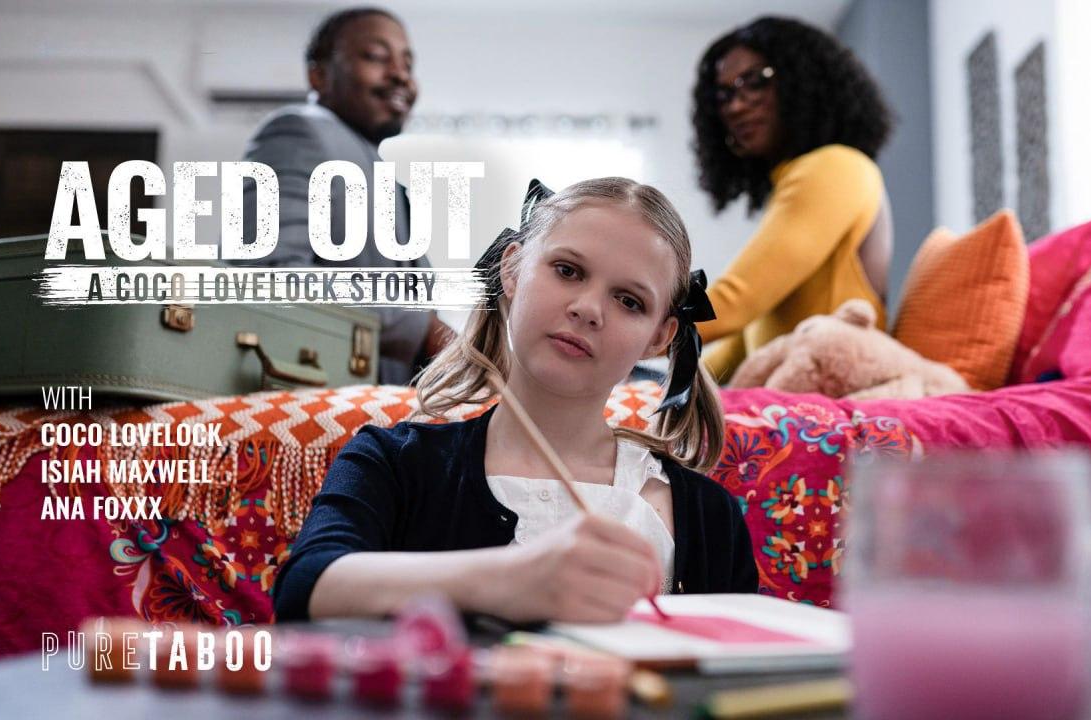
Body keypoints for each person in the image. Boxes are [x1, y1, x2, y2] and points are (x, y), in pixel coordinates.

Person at [273, 178, 758, 624]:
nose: (587, 309)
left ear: (660, 337)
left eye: (629, 301)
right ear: (511, 270)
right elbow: (304, 588)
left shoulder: (707, 514)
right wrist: (511, 578)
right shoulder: (394, 462)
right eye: (567, 271)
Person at [240, 6, 453, 384]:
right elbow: (264, 276)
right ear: (319, 75)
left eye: (408, 63)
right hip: (314, 405)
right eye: (376, 56)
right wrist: (420, 329)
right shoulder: (298, 132)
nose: (400, 74)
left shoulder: (377, 169)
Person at [691, 16, 895, 382]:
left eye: (755, 81)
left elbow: (735, 301)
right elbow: (747, 337)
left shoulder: (833, 167)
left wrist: (632, 328)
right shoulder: (802, 179)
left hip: (834, 394)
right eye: (724, 94)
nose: (735, 106)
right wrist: (660, 387)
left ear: (804, 82)